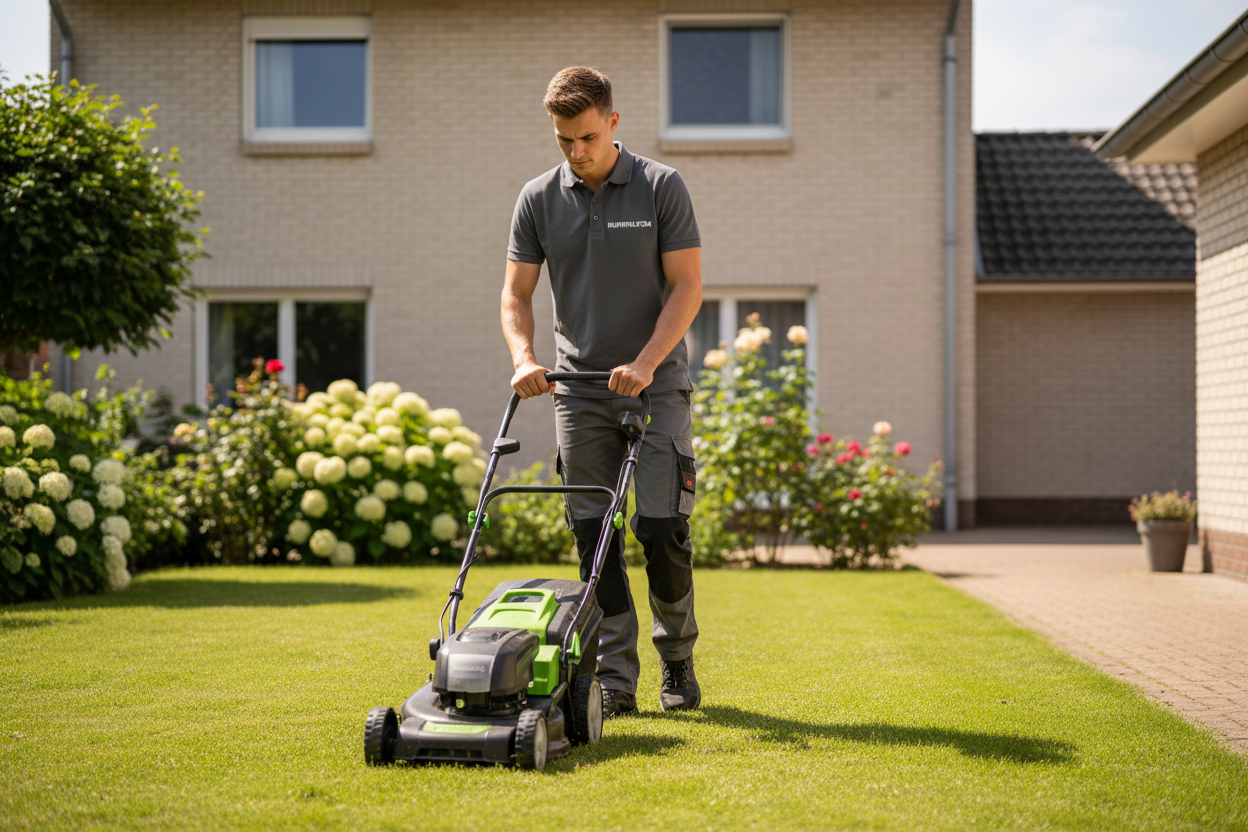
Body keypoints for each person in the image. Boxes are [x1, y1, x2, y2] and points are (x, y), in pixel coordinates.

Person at [501, 66, 703, 717]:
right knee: (593, 536)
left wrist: (646, 362)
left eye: (587, 137)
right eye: (564, 140)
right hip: (579, 389)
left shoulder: (661, 187)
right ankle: (616, 678)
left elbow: (688, 288)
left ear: (613, 122)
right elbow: (516, 294)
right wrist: (524, 358)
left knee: (663, 527)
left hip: (656, 385)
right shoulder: (537, 199)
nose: (577, 151)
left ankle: (677, 658)